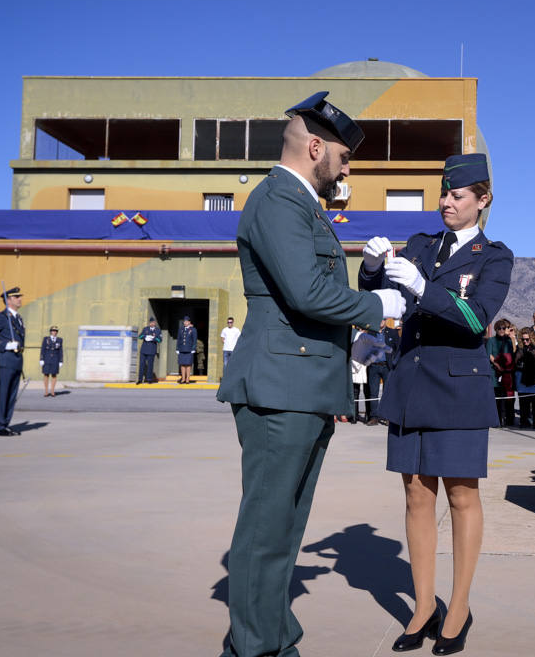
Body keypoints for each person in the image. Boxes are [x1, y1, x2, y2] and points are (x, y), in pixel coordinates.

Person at [215, 90, 405, 657]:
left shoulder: (301, 204)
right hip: (280, 388)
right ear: (315, 146)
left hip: (302, 386)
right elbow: (305, 292)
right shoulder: (278, 200)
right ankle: (254, 647)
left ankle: (271, 637)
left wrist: (362, 308)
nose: (346, 169)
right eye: (344, 158)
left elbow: (311, 293)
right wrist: (380, 308)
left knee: (285, 530)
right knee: (266, 530)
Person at [359, 151, 511, 655]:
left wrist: (425, 289)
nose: (446, 202)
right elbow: (387, 300)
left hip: (459, 388)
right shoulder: (423, 245)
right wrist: (371, 269)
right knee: (415, 494)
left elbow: (476, 319)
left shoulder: (494, 257)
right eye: (444, 193)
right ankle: (424, 605)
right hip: (411, 383)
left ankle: (460, 606)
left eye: (458, 195)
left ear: (482, 200)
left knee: (461, 496)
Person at [0, 287, 26, 436]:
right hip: (5, 360)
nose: (19, 299)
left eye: (19, 296)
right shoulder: (1, 317)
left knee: (11, 395)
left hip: (16, 361)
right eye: (16, 297)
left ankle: (5, 423)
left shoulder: (18, 318)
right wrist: (6, 345)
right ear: (9, 300)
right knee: (3, 393)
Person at [364, 319, 400, 425]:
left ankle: (387, 417)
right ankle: (374, 417)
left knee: (387, 392)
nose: (381, 321)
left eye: (383, 319)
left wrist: (395, 363)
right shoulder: (370, 333)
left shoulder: (392, 332)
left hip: (387, 367)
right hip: (373, 367)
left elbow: (398, 348)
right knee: (373, 393)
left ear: (386, 320)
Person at [514, 326, 535, 429]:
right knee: (524, 401)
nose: (525, 341)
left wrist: (531, 352)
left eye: (527, 339)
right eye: (523, 339)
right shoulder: (520, 347)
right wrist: (520, 352)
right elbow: (516, 360)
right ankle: (524, 421)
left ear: (531, 338)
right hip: (523, 377)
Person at [486, 319, 516, 427]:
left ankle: (508, 420)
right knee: (496, 396)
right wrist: (497, 365)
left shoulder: (508, 341)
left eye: (504, 328)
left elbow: (512, 355)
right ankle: (497, 420)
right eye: (500, 328)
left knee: (507, 397)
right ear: (496, 329)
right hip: (495, 371)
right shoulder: (491, 341)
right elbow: (489, 355)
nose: (502, 330)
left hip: (506, 372)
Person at [137, 317, 162, 384]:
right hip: (144, 350)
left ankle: (149, 379)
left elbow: (160, 340)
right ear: (149, 323)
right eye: (151, 322)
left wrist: (153, 338)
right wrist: (145, 337)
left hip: (151, 350)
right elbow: (140, 336)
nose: (152, 324)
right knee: (142, 365)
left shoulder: (158, 330)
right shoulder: (145, 329)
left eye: (153, 322)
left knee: (150, 365)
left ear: (155, 323)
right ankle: (140, 379)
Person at [40, 325, 63, 397]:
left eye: (56, 331)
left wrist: (61, 360)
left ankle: (52, 391)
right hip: (47, 359)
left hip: (55, 359)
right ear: (50, 332)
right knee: (46, 374)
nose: (54, 332)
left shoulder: (60, 340)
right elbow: (43, 349)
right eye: (53, 331)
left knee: (54, 375)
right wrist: (41, 359)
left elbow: (60, 351)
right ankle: (46, 391)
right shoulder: (46, 339)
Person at [176, 316, 197, 384]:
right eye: (184, 321)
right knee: (182, 364)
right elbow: (178, 339)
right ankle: (183, 379)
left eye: (187, 321)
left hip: (189, 349)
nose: (185, 323)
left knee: (188, 364)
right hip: (182, 349)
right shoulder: (181, 329)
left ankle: (187, 379)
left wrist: (193, 348)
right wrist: (177, 348)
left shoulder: (193, 329)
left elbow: (194, 340)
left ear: (189, 322)